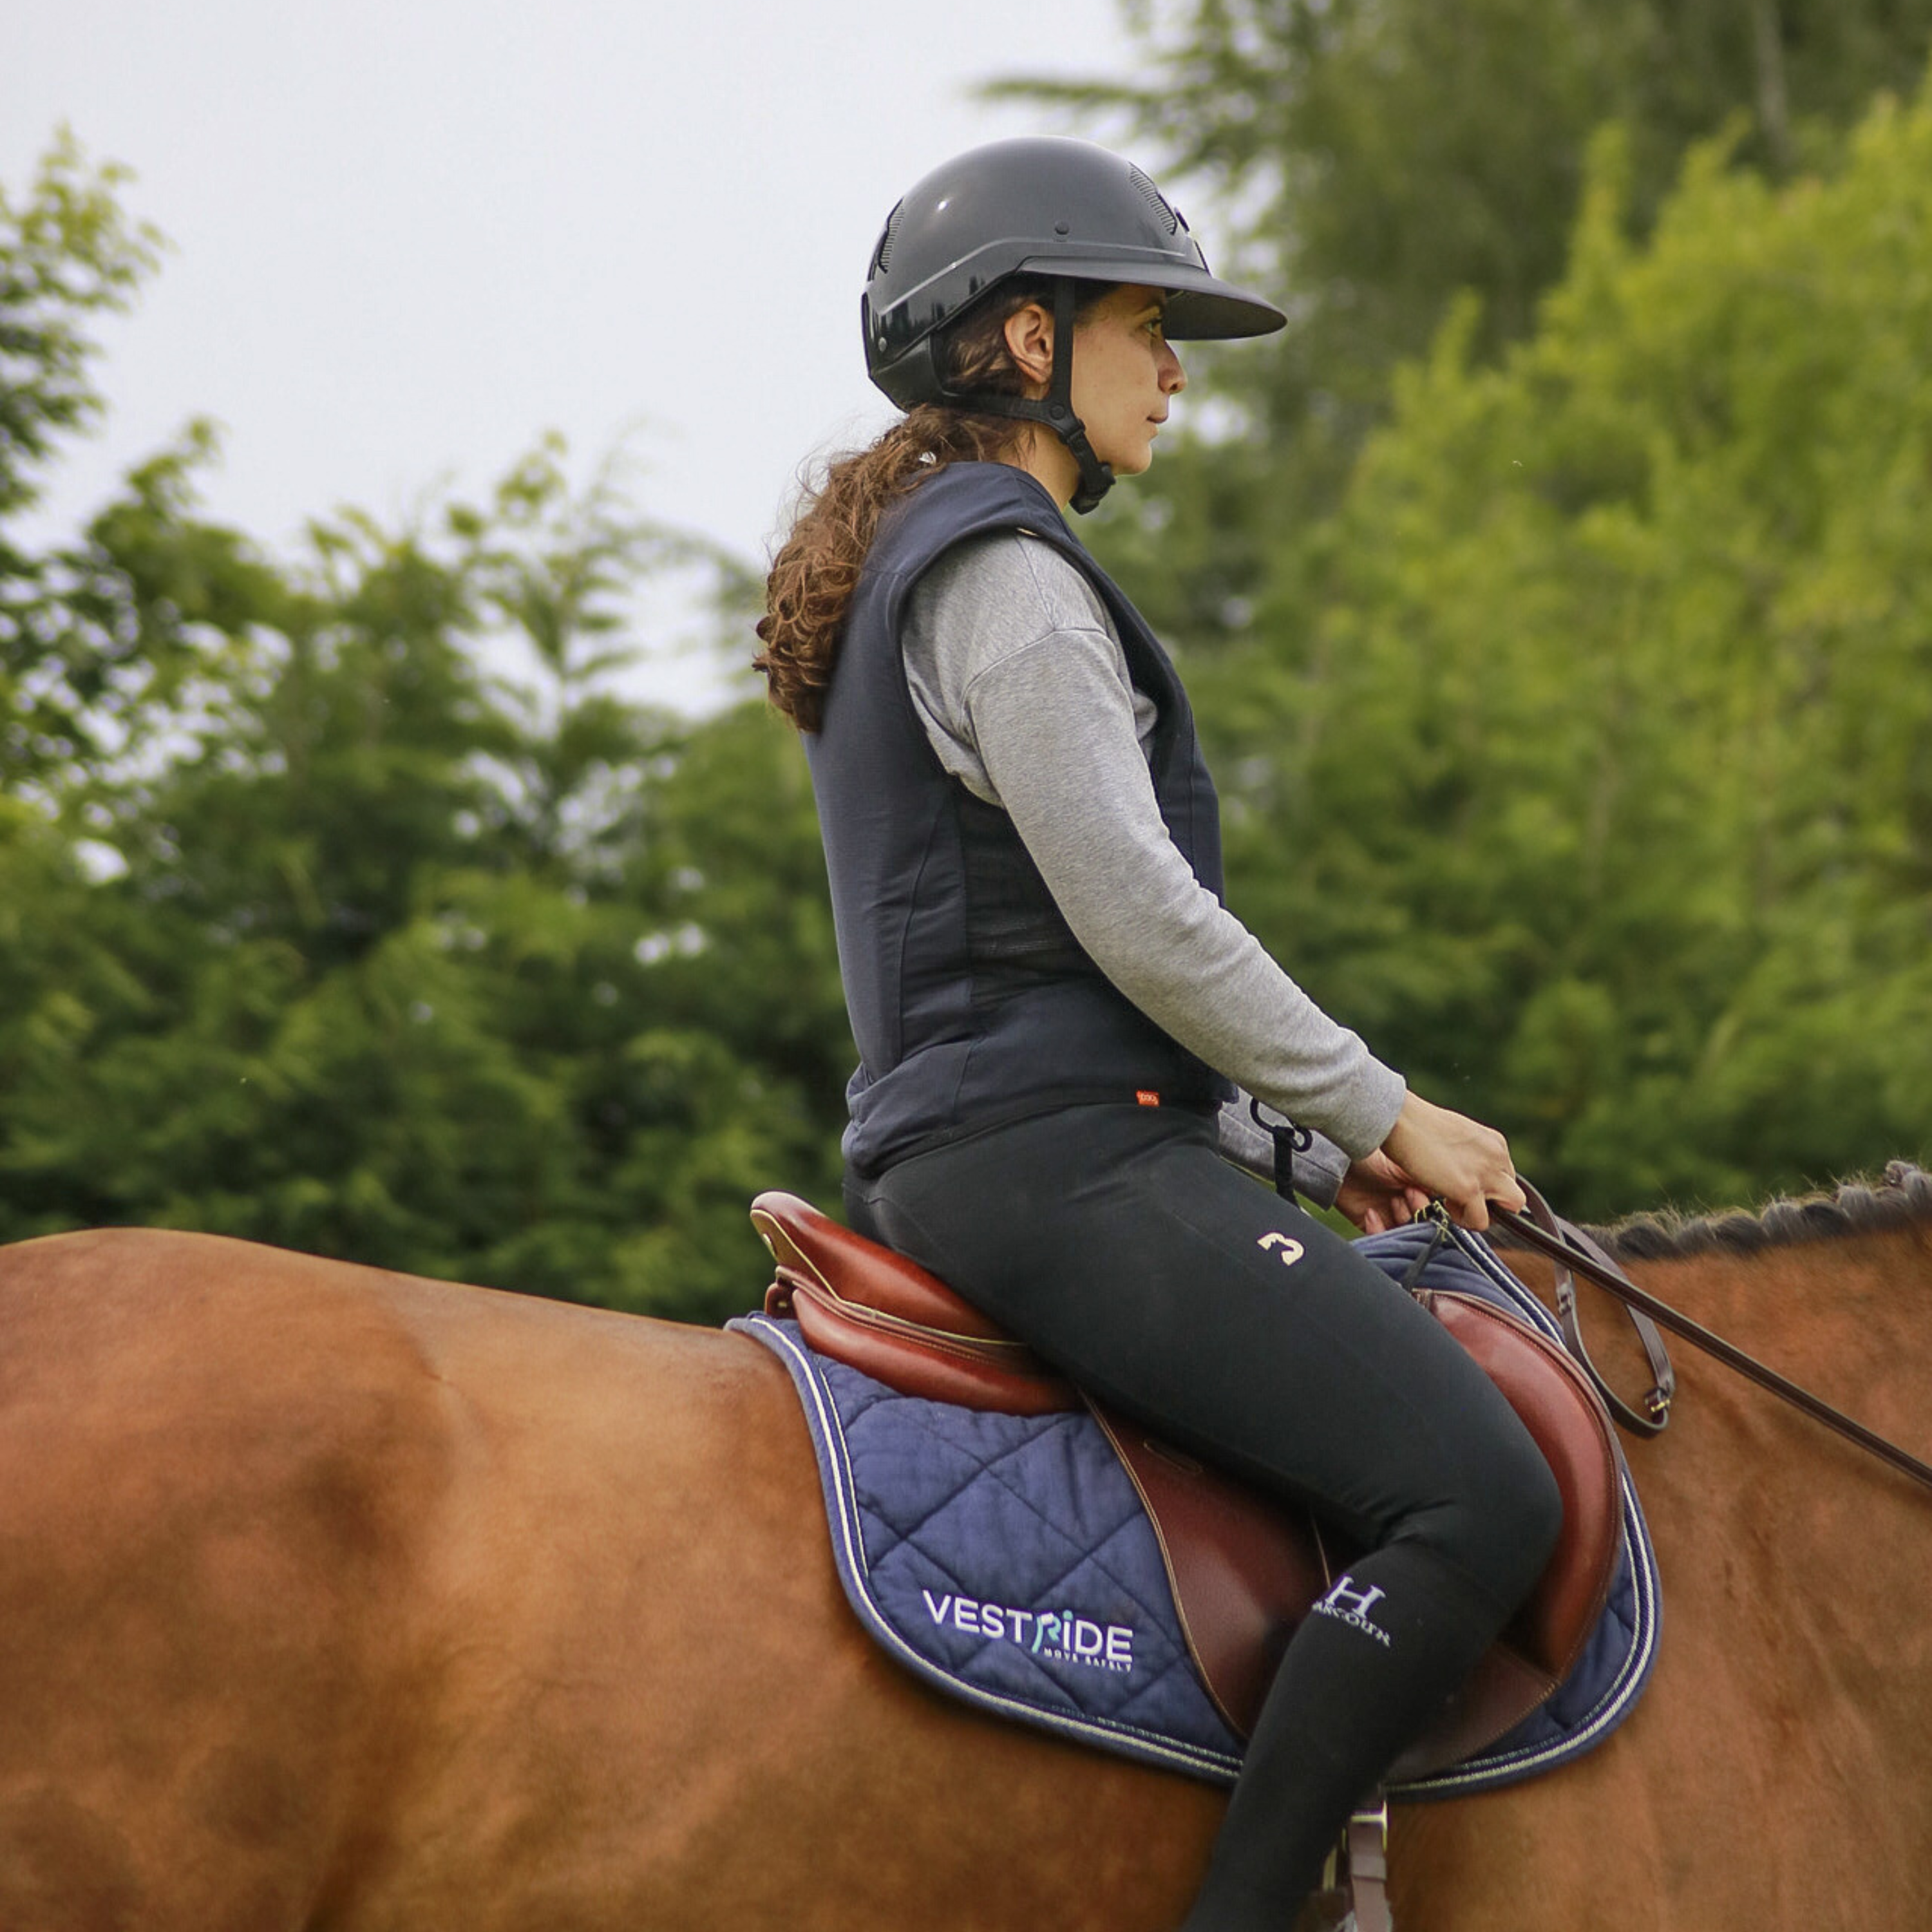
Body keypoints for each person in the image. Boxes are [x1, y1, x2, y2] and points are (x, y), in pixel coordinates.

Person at [755, 137, 1560, 1932]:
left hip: (1048, 1142)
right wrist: (1389, 1107)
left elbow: (1055, 968)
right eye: (1149, 325)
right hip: (1049, 1168)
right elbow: (1134, 910)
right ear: (1026, 343)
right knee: (1481, 1496)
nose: (1179, 366)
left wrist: (1289, 1146)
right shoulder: (1012, 578)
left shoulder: (949, 555)